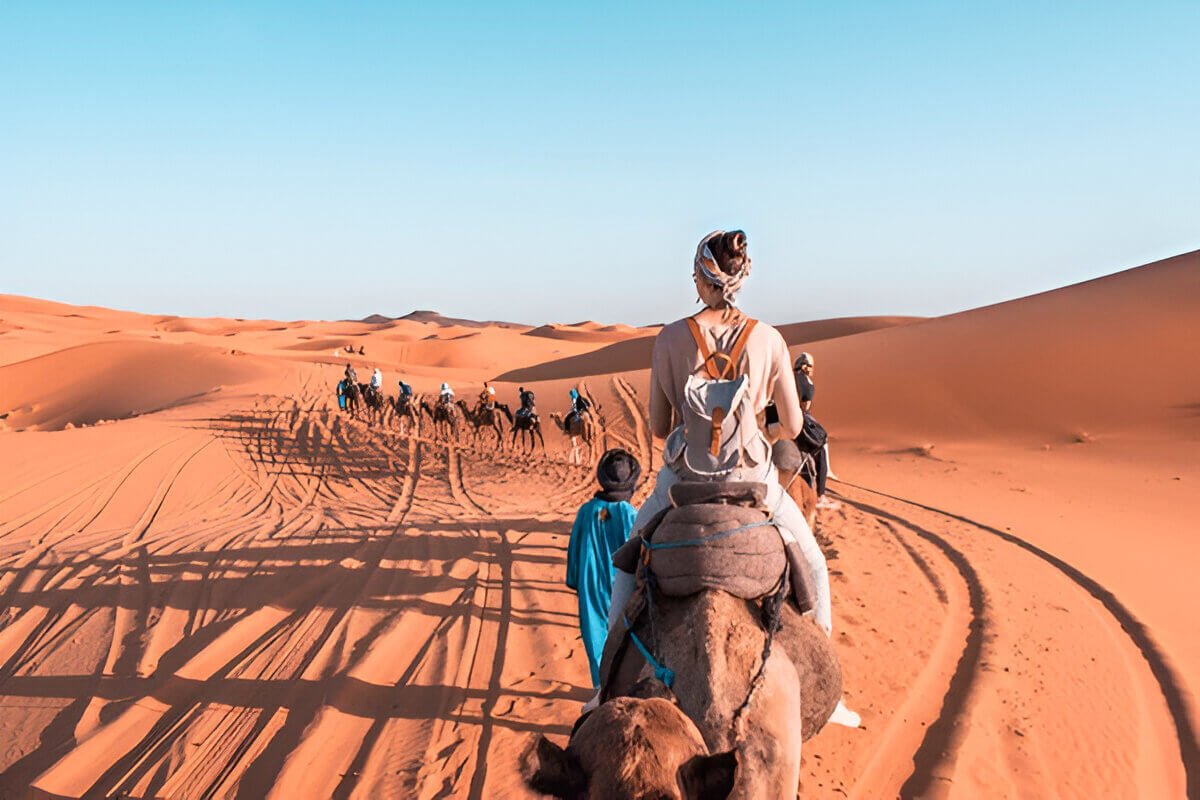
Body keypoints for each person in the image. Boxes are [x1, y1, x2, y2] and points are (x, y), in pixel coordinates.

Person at [606, 230, 831, 636]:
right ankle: (826, 667)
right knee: (814, 563)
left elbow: (659, 427)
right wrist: (765, 429)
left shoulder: (669, 338)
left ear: (700, 276)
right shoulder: (770, 339)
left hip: (681, 482)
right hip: (752, 479)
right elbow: (794, 426)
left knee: (626, 561)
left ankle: (609, 663)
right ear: (741, 278)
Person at [566, 449, 640, 690]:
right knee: (625, 638)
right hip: (623, 586)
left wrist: (575, 580)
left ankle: (601, 689)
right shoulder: (630, 514)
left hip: (591, 584)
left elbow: (574, 551)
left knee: (595, 636)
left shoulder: (586, 512)